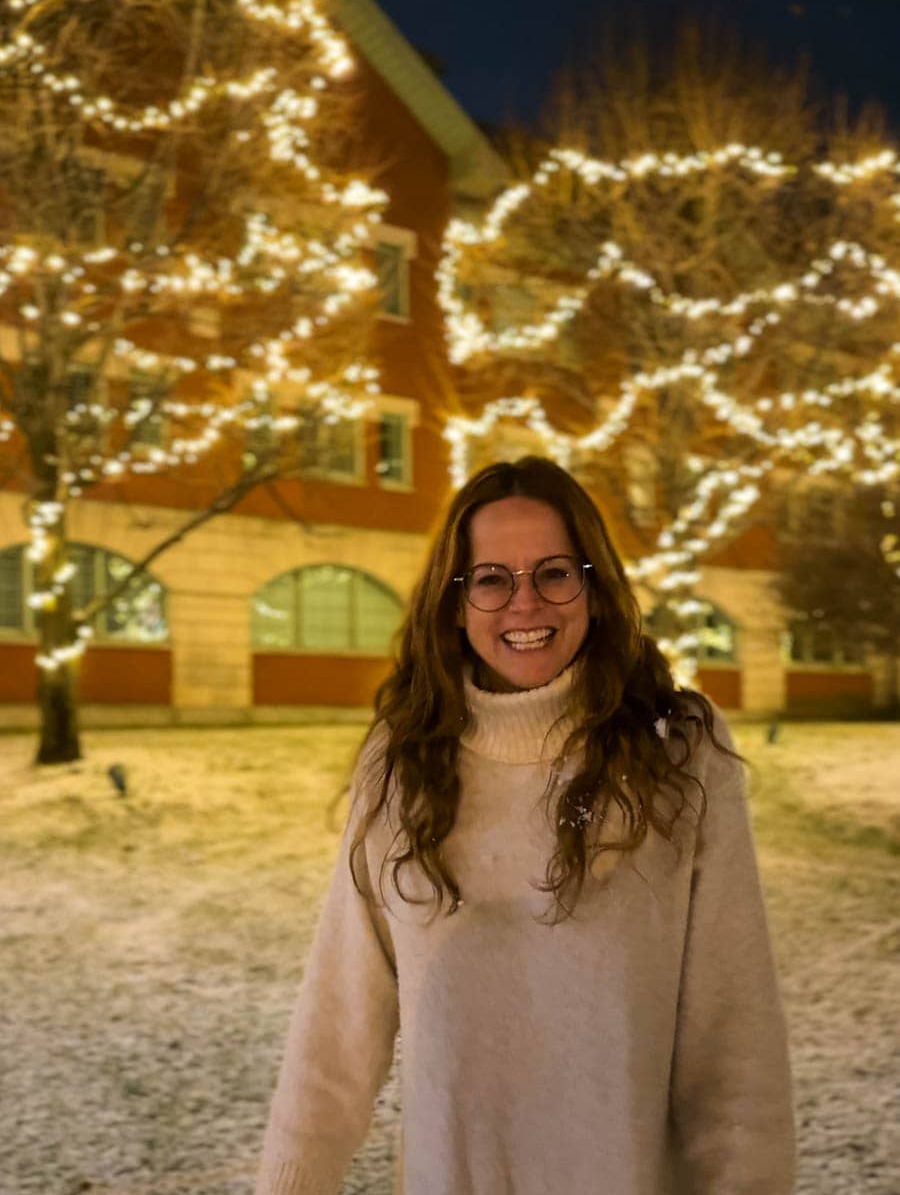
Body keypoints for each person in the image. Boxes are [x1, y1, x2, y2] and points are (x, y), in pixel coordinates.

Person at [255, 456, 795, 1195]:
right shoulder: (403, 759)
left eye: (554, 573)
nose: (525, 603)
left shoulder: (677, 752)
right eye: (491, 579)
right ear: (455, 603)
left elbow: (732, 1028)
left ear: (594, 589)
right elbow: (340, 1011)